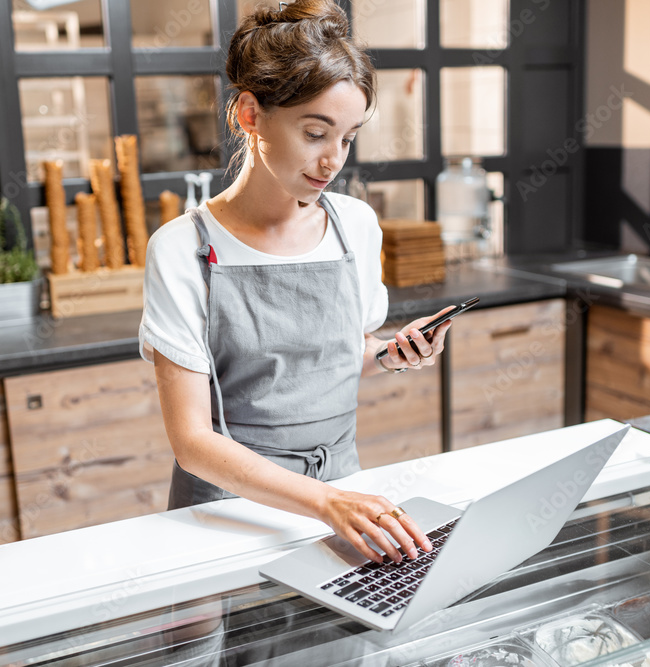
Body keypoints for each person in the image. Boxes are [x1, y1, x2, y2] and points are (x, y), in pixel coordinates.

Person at [138, 0, 454, 567]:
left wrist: (388, 355)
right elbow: (192, 443)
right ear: (250, 115)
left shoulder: (354, 226)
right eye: (315, 132)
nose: (333, 160)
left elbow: (323, 361)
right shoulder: (182, 249)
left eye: (349, 138)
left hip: (344, 496)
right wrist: (328, 501)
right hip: (230, 511)